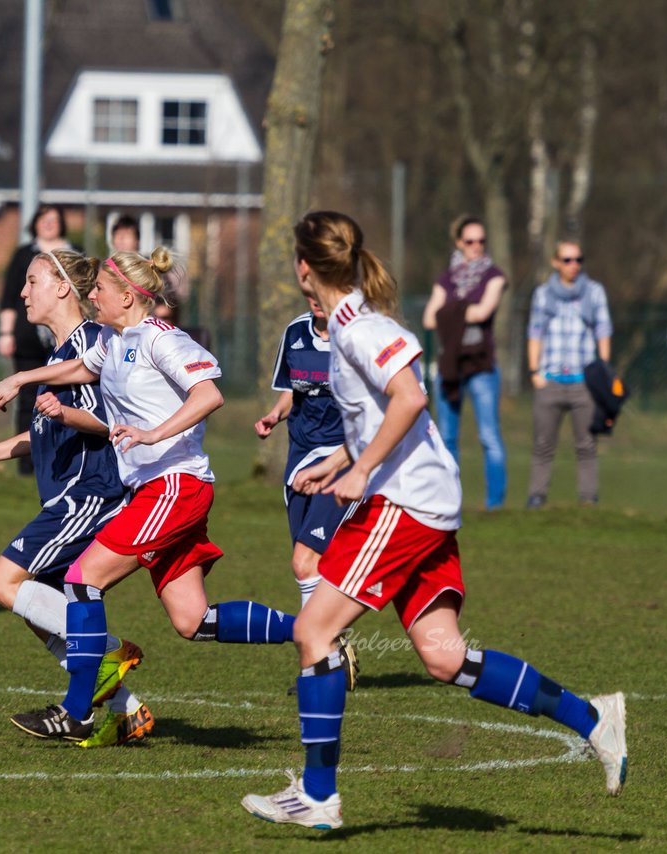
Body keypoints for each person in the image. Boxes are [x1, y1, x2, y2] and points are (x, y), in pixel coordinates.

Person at [239, 212, 627, 831]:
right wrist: (340, 460)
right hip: (421, 501)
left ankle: (317, 797)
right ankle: (593, 719)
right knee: (444, 658)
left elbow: (412, 397)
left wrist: (361, 470)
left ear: (304, 266)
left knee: (313, 632)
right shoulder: (349, 325)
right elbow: (386, 416)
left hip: (403, 504)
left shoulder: (358, 327)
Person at [0, 247, 305, 743]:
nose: (91, 295)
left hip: (175, 484)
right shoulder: (114, 342)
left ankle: (78, 712)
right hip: (155, 491)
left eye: (100, 289)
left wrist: (153, 434)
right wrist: (24, 377)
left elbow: (209, 394)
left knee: (81, 579)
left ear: (128, 295)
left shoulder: (163, 340)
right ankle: (312, 632)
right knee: (192, 620)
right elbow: (77, 370)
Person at [0, 248, 153, 748]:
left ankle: (109, 651)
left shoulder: (89, 344)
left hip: (92, 494)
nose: (23, 292)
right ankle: (124, 708)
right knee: (32, 609)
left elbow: (106, 422)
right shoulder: (57, 357)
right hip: (69, 498)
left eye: (32, 281)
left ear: (63, 287)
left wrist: (60, 412)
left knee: (2, 581)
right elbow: (47, 432)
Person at [255, 289, 354, 613]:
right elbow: (289, 390)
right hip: (300, 456)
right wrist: (275, 414)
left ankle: (320, 648)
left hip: (343, 456)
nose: (315, 296)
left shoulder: (358, 337)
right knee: (306, 560)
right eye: (309, 289)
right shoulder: (296, 331)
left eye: (322, 287)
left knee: (306, 559)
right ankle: (329, 640)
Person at [421, 216, 508, 510]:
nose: (477, 247)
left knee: (489, 436)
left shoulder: (493, 276)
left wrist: (451, 309)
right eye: (470, 241)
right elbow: (429, 318)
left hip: (481, 366)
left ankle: (494, 504)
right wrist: (460, 310)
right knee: (446, 437)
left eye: (481, 241)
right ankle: (449, 500)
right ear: (459, 242)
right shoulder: (445, 279)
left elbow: (483, 312)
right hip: (450, 367)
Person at [526, 241, 613, 507]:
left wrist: (602, 372)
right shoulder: (542, 294)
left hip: (583, 381)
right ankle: (536, 497)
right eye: (567, 260)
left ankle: (588, 499)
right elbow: (535, 333)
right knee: (543, 445)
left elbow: (603, 330)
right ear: (555, 262)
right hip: (550, 379)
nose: (573, 265)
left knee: (586, 445)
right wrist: (534, 372)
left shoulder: (594, 292)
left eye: (578, 260)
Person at [0, 204, 74, 474]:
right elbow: (9, 296)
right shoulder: (24, 255)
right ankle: (27, 464)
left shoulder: (72, 253)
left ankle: (63, 458)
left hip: (60, 340)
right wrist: (6, 332)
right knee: (30, 398)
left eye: (54, 219)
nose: (49, 224)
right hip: (29, 339)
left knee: (63, 398)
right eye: (44, 219)